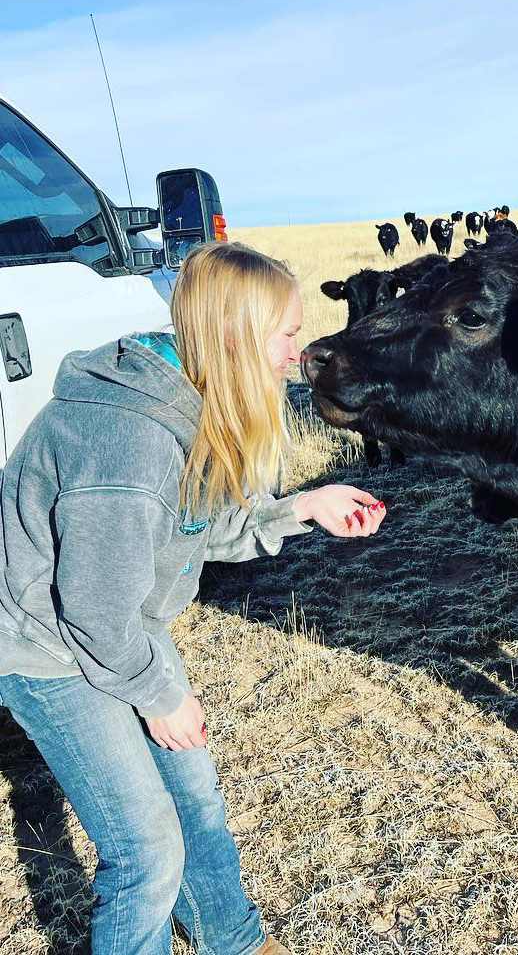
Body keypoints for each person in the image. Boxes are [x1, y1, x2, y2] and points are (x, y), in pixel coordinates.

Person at [0, 242, 384, 954]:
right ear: (235, 335)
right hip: (44, 644)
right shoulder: (129, 444)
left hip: (118, 621)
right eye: (287, 334)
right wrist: (159, 694)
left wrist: (303, 506)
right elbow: (91, 612)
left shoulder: (189, 394)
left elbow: (200, 525)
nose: (294, 355)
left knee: (195, 798)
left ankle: (231, 940)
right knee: (147, 850)